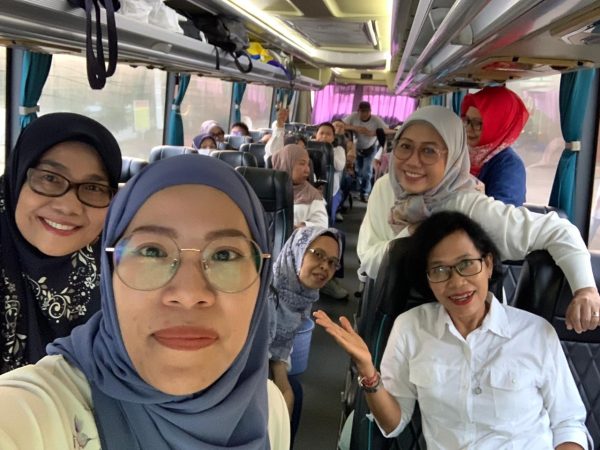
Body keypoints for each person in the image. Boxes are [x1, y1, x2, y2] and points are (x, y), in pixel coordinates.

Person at [0, 155, 290, 449]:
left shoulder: (270, 409)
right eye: (152, 252)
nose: (188, 294)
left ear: (262, 277)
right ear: (109, 272)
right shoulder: (33, 414)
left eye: (224, 255)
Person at [316, 211, 591, 449]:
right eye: (439, 270)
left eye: (466, 264)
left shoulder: (536, 333)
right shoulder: (411, 327)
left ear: (488, 264)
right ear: (427, 279)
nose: (457, 282)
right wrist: (368, 371)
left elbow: (568, 423)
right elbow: (393, 424)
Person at [357, 105, 600, 334]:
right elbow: (368, 260)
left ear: (453, 157)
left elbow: (558, 230)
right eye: (405, 146)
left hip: (470, 331)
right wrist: (414, 233)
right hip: (394, 319)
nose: (412, 161)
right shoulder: (385, 189)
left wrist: (585, 289)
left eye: (429, 151)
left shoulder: (469, 207)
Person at [0, 112, 122, 374]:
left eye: (93, 187)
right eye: (50, 178)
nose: (68, 207)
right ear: (17, 179)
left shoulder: (124, 277)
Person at [269, 227, 342, 440]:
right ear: (297, 252)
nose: (325, 266)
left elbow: (278, 349)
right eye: (317, 254)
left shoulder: (300, 298)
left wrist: (283, 385)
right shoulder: (265, 294)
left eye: (332, 262)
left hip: (265, 365)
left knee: (294, 393)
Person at [461, 86, 529, 206]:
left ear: (498, 125)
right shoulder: (462, 152)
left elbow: (503, 214)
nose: (468, 129)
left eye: (478, 123)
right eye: (467, 120)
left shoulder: (510, 165)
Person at [343, 101, 395, 202]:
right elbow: (340, 125)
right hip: (356, 148)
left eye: (367, 111)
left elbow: (389, 130)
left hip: (370, 148)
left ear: (370, 111)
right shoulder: (353, 116)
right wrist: (356, 128)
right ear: (358, 111)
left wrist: (372, 133)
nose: (364, 114)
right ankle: (358, 191)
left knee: (367, 172)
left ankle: (365, 193)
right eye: (362, 111)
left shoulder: (376, 120)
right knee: (358, 171)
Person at [272, 144, 328, 229]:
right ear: (286, 164)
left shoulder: (312, 195)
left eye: (308, 164)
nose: (307, 170)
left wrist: (300, 227)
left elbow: (322, 224)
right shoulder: (268, 190)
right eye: (302, 164)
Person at [314, 122, 346, 223]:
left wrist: (328, 150)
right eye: (321, 133)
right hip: (312, 188)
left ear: (333, 138)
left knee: (328, 219)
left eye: (328, 134)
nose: (324, 136)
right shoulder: (309, 147)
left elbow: (339, 166)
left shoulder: (338, 150)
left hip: (332, 190)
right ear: (316, 135)